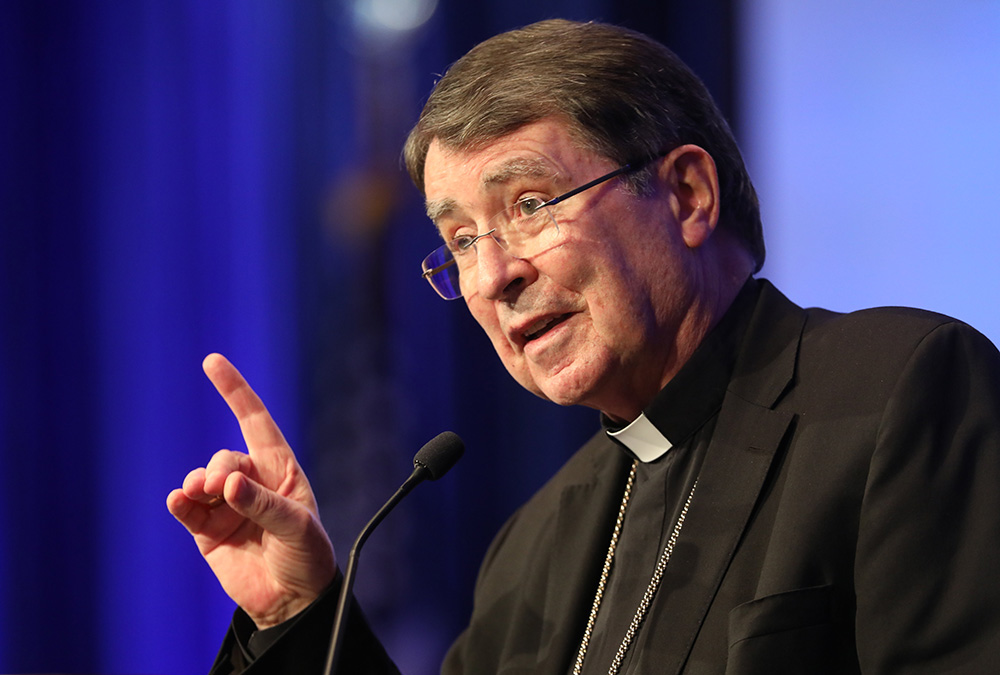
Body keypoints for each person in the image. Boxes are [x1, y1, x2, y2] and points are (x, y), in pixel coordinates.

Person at [167, 19, 1000, 674]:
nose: (491, 276)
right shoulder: (529, 549)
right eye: (458, 240)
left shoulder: (899, 392)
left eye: (530, 204)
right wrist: (303, 611)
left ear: (686, 193)